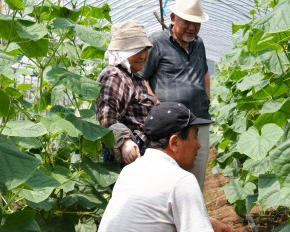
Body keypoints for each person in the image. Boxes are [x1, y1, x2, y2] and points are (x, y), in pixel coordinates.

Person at [98, 102, 232, 232]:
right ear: (174, 142)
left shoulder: (129, 171)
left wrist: (204, 221)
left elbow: (152, 216)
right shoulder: (181, 180)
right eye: (195, 135)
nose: (198, 145)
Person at [139, 0, 211, 190]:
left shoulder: (199, 44)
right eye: (187, 21)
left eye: (196, 23)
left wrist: (206, 99)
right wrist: (157, 105)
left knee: (196, 177)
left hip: (199, 120)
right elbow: (143, 78)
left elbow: (204, 72)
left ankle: (193, 215)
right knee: (169, 180)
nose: (192, 27)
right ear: (172, 19)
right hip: (170, 127)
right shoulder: (157, 42)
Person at [96, 20, 156, 166]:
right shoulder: (114, 75)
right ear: (123, 52)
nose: (143, 55)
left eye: (145, 49)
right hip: (129, 155)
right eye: (136, 50)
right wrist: (124, 142)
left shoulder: (134, 77)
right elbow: (106, 119)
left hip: (142, 151)